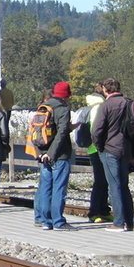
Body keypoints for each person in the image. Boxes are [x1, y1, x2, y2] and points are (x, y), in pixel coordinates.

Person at [92, 77, 134, 233]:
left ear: (105, 89)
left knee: (114, 186)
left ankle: (118, 222)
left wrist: (99, 147)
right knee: (124, 186)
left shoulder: (106, 106)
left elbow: (96, 130)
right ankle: (131, 222)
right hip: (126, 149)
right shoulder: (129, 103)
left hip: (110, 149)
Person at [36, 82, 76, 231]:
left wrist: (42, 153)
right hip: (59, 155)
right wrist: (52, 153)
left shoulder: (44, 107)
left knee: (45, 188)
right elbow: (62, 133)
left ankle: (45, 221)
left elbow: (36, 132)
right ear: (67, 95)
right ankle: (58, 221)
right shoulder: (63, 109)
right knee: (59, 188)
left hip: (44, 153)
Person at [76, 92, 112, 223]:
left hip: (93, 149)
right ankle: (95, 212)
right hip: (99, 149)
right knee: (101, 182)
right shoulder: (99, 108)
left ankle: (103, 210)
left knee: (103, 181)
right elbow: (97, 130)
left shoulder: (91, 108)